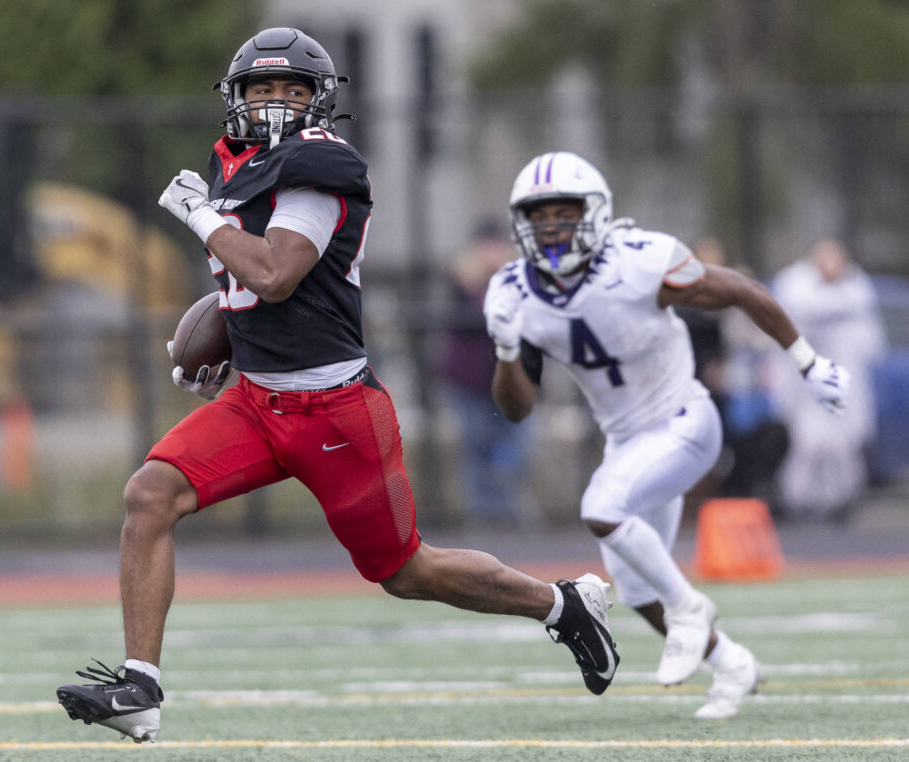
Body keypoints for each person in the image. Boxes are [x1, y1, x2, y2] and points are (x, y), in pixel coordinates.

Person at [55, 29, 619, 744]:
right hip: (257, 401)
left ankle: (561, 605)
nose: (274, 104)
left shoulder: (324, 166)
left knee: (405, 571)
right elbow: (247, 289)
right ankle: (141, 687)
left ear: (318, 102)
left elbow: (274, 272)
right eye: (261, 89)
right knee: (149, 493)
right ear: (236, 99)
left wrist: (199, 217)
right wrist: (218, 346)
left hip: (335, 410)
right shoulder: (231, 164)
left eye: (291, 90)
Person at [484, 151, 850, 719]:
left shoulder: (639, 261)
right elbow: (515, 409)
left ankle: (690, 606)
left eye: (564, 211)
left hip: (686, 420)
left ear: (596, 213)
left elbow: (740, 290)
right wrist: (507, 352)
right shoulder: (514, 293)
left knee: (601, 505)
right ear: (521, 224)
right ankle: (732, 665)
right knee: (632, 587)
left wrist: (807, 362)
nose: (552, 225)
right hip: (629, 443)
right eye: (540, 214)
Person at [770, 238, 885, 521]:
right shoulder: (795, 283)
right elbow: (803, 311)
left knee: (845, 448)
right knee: (808, 445)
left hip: (847, 383)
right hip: (806, 385)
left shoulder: (856, 285)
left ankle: (843, 501)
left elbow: (870, 336)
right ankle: (796, 501)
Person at [436, 219, 537, 527]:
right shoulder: (460, 280)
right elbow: (463, 323)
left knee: (517, 448)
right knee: (476, 447)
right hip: (471, 383)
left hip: (513, 382)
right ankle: (483, 516)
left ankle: (511, 508)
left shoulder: (520, 281)